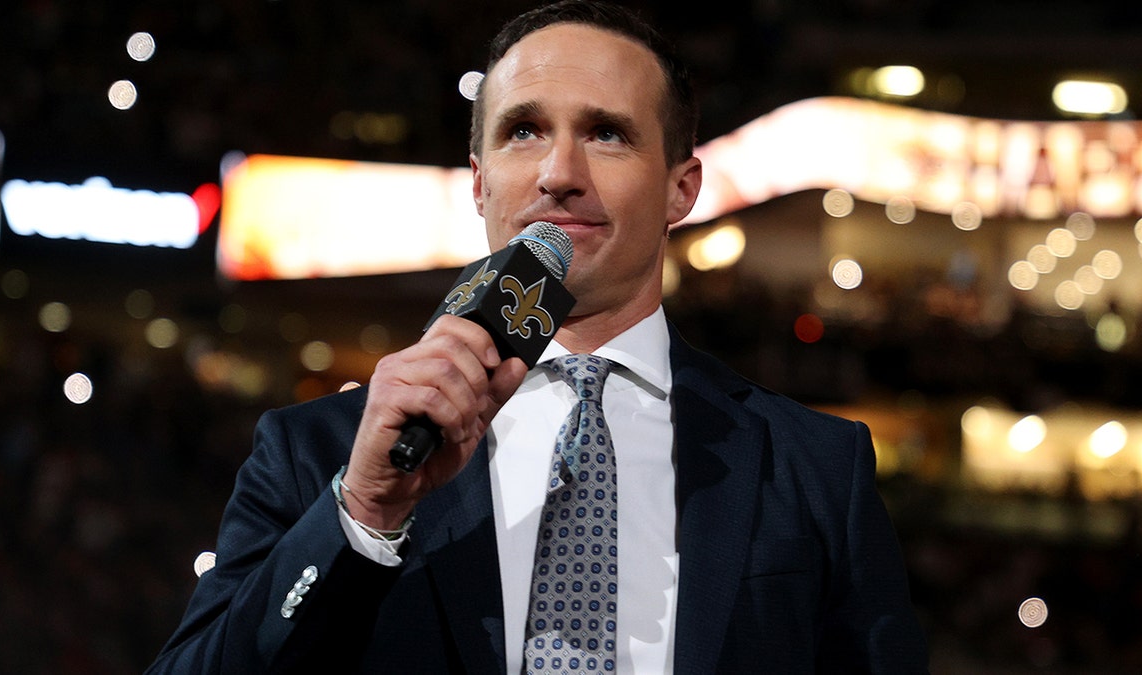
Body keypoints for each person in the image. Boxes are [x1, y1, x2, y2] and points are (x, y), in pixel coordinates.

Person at [148, 1, 929, 672]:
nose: (559, 171)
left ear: (680, 189)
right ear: (481, 182)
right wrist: (362, 514)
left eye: (608, 134)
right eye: (524, 131)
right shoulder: (321, 454)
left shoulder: (817, 470)